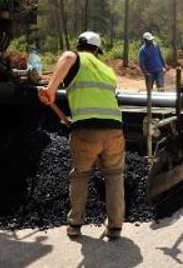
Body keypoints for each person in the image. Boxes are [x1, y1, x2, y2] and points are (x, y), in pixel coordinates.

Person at [38, 31, 125, 240]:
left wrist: (50, 89)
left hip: (86, 130)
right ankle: (115, 227)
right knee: (114, 176)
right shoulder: (107, 70)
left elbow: (67, 58)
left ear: (80, 46)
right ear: (97, 50)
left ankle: (75, 224)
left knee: (81, 174)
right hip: (114, 130)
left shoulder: (74, 57)